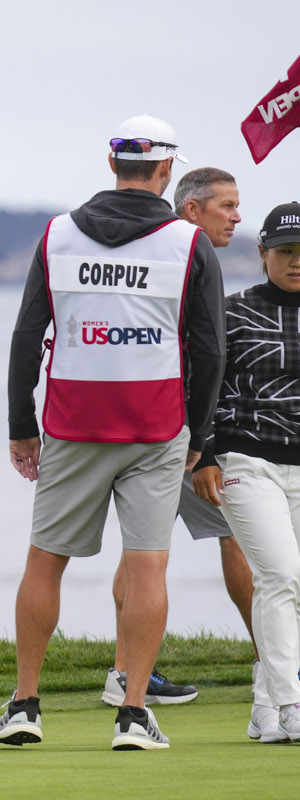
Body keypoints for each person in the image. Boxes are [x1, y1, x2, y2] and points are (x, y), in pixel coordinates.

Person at [0, 115, 225, 751]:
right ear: (167, 169)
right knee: (148, 566)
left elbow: (24, 337)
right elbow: (210, 350)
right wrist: (196, 433)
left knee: (46, 559)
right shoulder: (188, 242)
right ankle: (133, 714)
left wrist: (20, 426)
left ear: (112, 162)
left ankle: (25, 705)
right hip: (155, 426)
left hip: (71, 423)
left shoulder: (58, 235)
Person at [101, 168, 247, 712]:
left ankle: (124, 673)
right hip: (176, 435)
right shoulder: (181, 263)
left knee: (141, 553)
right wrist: (202, 444)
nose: (236, 217)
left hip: (164, 430)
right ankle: (276, 665)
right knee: (230, 535)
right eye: (226, 206)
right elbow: (197, 360)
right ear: (191, 211)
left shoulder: (174, 260)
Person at [192, 202, 300, 743]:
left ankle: (263, 707)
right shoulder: (231, 312)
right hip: (246, 461)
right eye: (285, 251)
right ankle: (291, 702)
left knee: (285, 584)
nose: (295, 261)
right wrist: (204, 454)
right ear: (262, 254)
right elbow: (201, 386)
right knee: (281, 575)